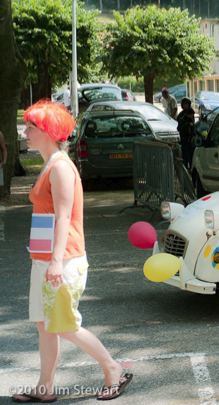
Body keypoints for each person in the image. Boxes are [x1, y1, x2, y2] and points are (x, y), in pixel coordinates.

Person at [12, 101, 132, 403]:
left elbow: (64, 217)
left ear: (50, 132)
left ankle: (112, 368)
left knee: (64, 326)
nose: (25, 131)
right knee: (45, 326)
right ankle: (45, 388)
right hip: (45, 260)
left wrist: (54, 261)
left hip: (62, 261)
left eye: (31, 127)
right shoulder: (51, 164)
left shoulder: (62, 167)